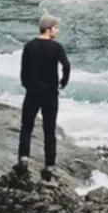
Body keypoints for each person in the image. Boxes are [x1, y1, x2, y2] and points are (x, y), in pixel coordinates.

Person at [17, 14, 70, 179]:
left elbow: (24, 71)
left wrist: (28, 85)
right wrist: (63, 82)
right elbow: (66, 66)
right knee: (49, 130)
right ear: (49, 29)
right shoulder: (57, 47)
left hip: (32, 93)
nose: (58, 30)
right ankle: (49, 166)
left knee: (26, 127)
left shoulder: (29, 46)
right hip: (50, 94)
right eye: (56, 28)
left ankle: (23, 160)